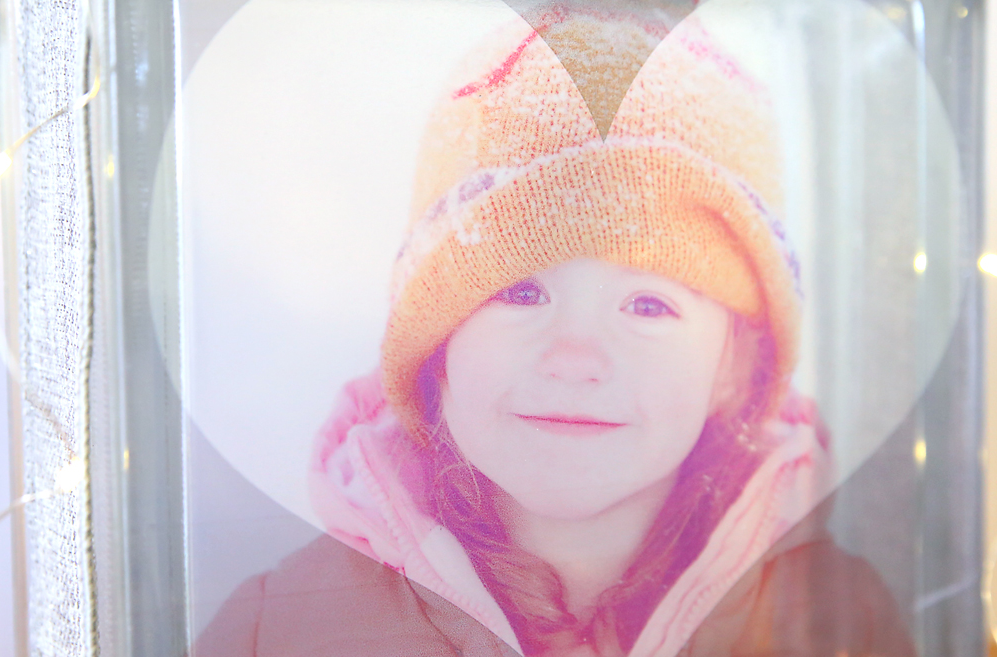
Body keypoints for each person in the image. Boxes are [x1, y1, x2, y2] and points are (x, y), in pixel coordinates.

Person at [194, 5, 915, 656]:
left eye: (648, 306)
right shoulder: (280, 630)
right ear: (437, 344)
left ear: (732, 366)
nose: (575, 358)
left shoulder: (837, 623)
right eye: (521, 290)